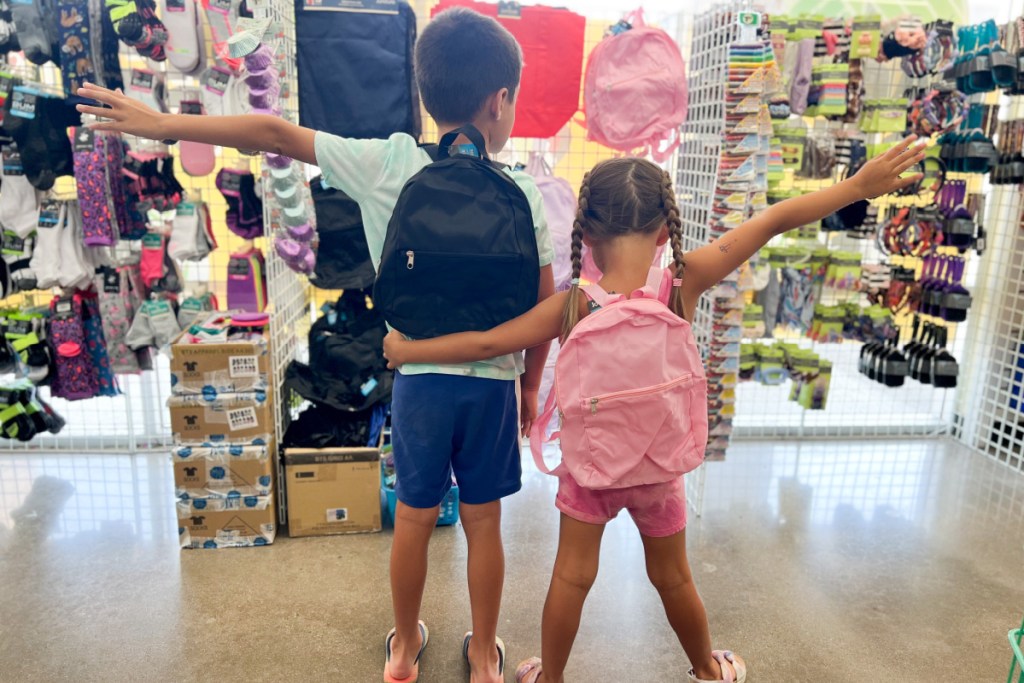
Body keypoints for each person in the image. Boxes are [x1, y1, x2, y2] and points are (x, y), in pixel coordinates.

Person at [75, 8, 555, 683]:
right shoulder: (522, 191)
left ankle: (401, 649)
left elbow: (271, 131)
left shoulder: (386, 159)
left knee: (414, 518)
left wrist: (164, 125)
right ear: (501, 100)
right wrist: (530, 386)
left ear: (422, 94)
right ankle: (482, 656)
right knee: (483, 522)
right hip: (491, 386)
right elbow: (542, 303)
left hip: (418, 383)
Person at [382, 138, 927, 683]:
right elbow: (771, 222)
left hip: (591, 474)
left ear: (586, 235)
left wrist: (410, 351)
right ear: (665, 231)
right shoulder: (679, 286)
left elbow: (485, 344)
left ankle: (550, 679)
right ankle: (708, 672)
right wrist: (857, 186)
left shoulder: (574, 304)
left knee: (571, 577)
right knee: (674, 577)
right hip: (660, 469)